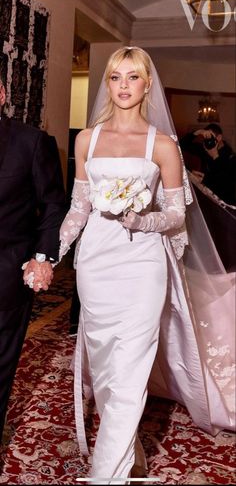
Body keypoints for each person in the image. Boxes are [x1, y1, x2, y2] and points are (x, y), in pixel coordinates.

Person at [58, 47, 235, 483]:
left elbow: (176, 215)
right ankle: (129, 452)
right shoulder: (87, 139)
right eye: (115, 77)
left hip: (142, 267)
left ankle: (107, 476)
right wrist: (50, 253)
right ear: (108, 84)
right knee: (104, 369)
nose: (122, 86)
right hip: (96, 266)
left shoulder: (163, 145)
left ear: (146, 85)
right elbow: (78, 209)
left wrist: (141, 218)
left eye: (132, 78)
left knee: (131, 369)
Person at [0, 75, 66, 444]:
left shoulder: (31, 142)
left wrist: (42, 257)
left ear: (2, 93)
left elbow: (54, 203)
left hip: (5, 273)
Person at [180, 123, 236, 205]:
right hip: (207, 198)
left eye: (211, 137)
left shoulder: (231, 157)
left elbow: (226, 184)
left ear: (219, 138)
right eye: (206, 137)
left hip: (223, 204)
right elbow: (182, 144)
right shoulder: (205, 149)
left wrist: (215, 156)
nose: (208, 140)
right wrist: (197, 132)